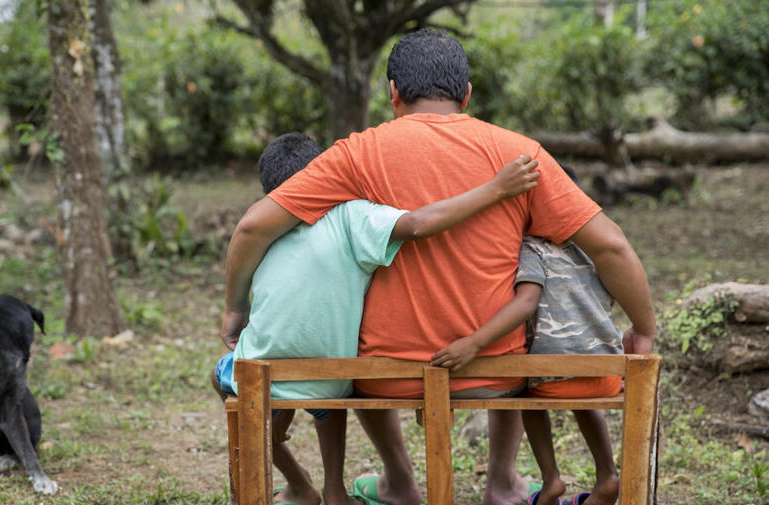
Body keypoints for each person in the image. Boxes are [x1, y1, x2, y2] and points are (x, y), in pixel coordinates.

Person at [221, 29, 656, 505]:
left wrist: (235, 311)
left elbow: (251, 229)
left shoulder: (355, 153)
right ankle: (503, 483)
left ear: (392, 92)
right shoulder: (518, 154)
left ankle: (399, 482)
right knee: (513, 332)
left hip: (385, 373)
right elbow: (611, 247)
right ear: (466, 95)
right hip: (493, 370)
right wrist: (643, 327)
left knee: (367, 356)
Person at [213, 132, 540, 505]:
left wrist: (233, 312)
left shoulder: (263, 230)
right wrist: (496, 188)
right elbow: (419, 223)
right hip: (335, 380)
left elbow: (252, 254)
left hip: (266, 375)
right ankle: (334, 489)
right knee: (333, 385)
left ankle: (299, 483)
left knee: (223, 377)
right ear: (324, 174)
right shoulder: (351, 215)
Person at [431, 231, 655, 505]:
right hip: (605, 372)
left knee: (523, 395)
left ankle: (552, 479)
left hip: (553, 377)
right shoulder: (591, 248)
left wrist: (475, 342)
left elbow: (526, 302)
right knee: (585, 399)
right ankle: (607, 475)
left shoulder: (531, 250)